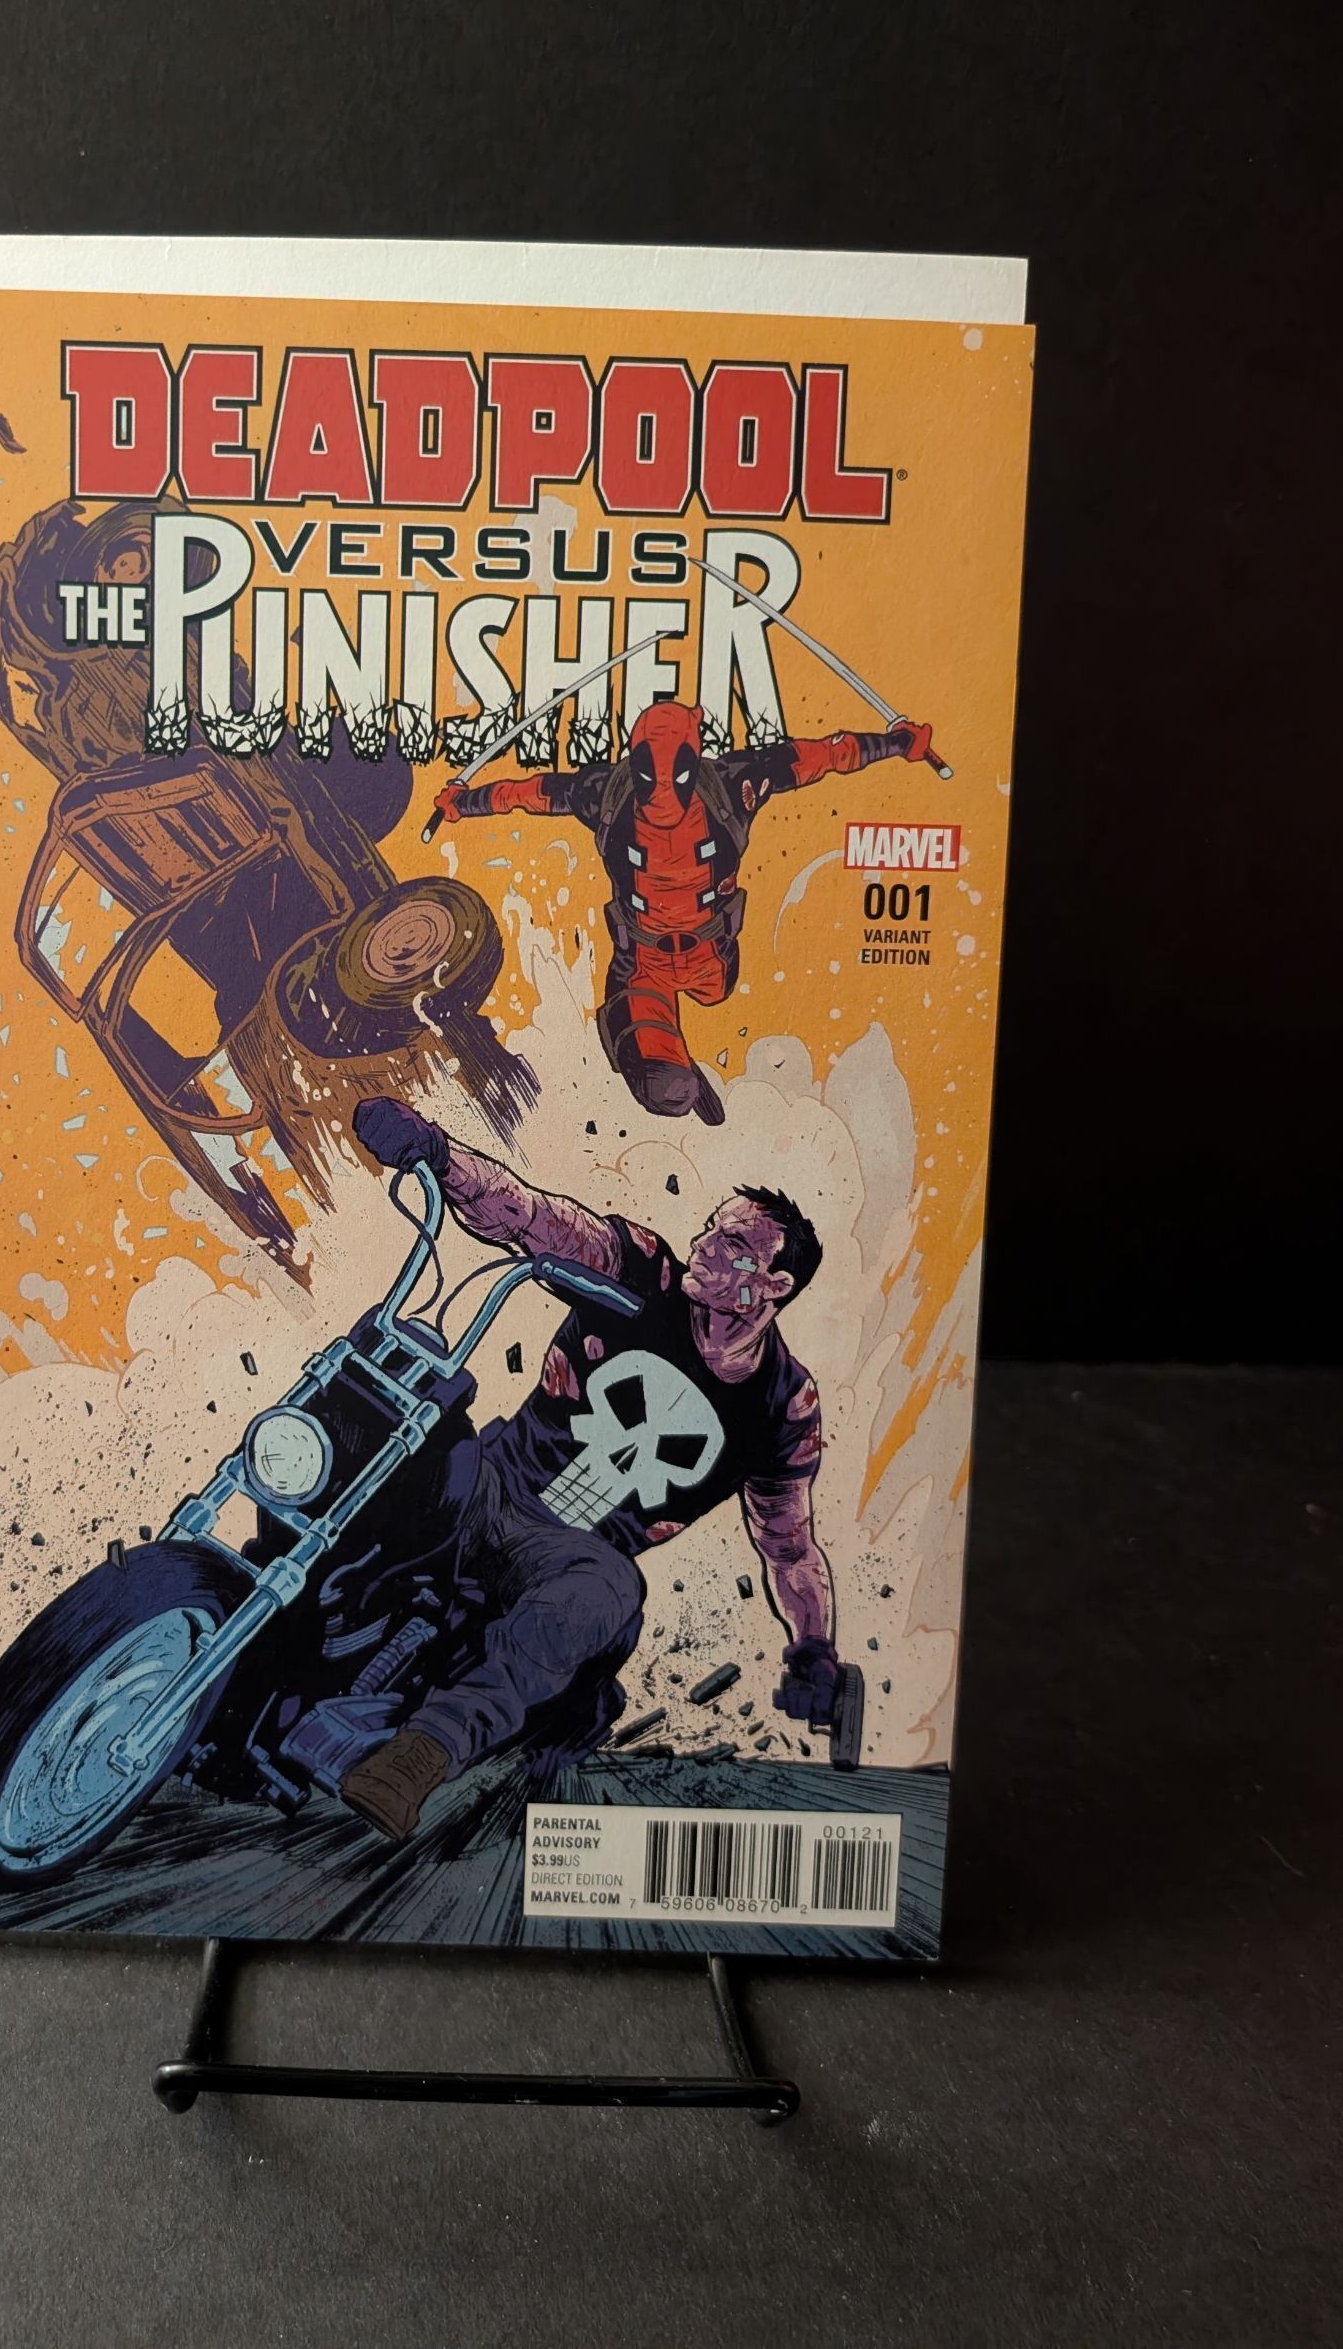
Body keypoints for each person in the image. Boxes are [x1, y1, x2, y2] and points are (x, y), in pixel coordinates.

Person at [338, 1096, 841, 1841]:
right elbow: (531, 1216)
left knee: (609, 1589)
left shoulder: (783, 1406)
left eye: (733, 1244)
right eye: (710, 1227)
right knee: (398, 1427)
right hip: (494, 1483)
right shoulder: (641, 1270)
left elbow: (789, 1546)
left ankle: (421, 1755)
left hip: (573, 1556)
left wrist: (813, 1647)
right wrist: (437, 1153)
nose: (704, 1244)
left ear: (776, 1286)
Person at [430, 697, 932, 1122]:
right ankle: (678, 1066)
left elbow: (823, 755)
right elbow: (529, 794)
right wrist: (464, 803)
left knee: (681, 1025)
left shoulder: (723, 785)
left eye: (676, 772)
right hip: (646, 961)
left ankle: (676, 1056)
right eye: (652, 774)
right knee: (662, 1085)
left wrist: (894, 744)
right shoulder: (620, 792)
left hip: (707, 959)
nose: (663, 791)